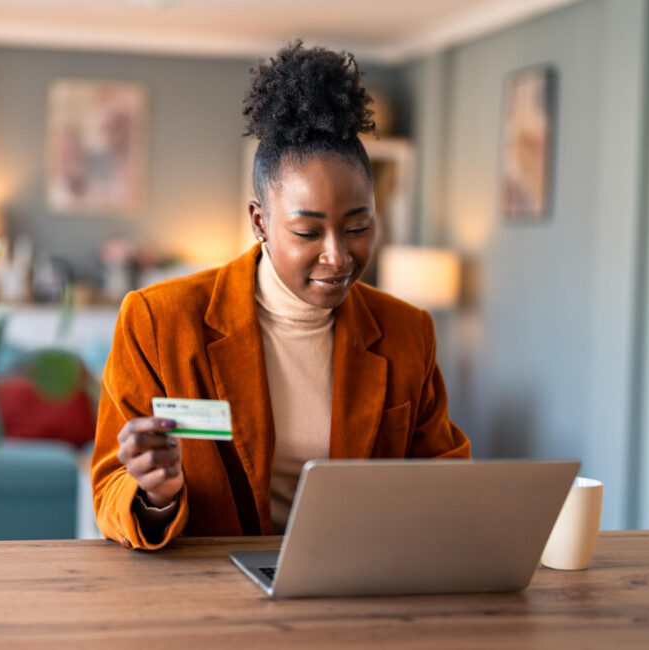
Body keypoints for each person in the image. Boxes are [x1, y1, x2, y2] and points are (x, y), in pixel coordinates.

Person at [92, 41, 470, 550]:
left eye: (357, 227)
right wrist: (155, 494)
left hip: (355, 586)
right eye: (308, 233)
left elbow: (445, 479)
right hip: (211, 596)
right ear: (259, 222)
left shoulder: (407, 332)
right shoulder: (159, 321)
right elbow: (109, 489)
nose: (337, 256)